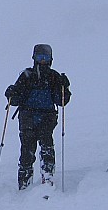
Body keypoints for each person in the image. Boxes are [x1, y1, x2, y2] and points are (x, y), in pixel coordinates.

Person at [5, 44, 71, 189]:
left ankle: (47, 178)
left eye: (45, 57)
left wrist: (65, 88)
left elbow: (61, 101)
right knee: (27, 152)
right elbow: (15, 100)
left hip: (46, 118)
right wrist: (11, 93)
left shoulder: (54, 77)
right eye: (40, 57)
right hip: (28, 118)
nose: (42, 61)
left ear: (50, 59)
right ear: (34, 58)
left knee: (47, 148)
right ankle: (24, 183)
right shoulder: (27, 76)